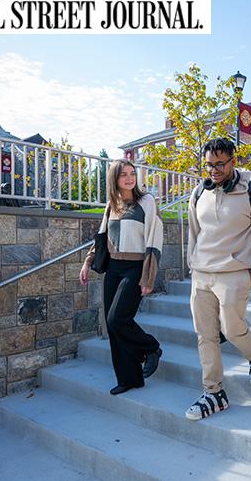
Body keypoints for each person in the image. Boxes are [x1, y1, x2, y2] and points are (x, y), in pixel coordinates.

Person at [185, 137, 251, 420]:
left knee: (233, 330)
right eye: (209, 165)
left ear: (233, 161)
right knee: (205, 335)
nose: (213, 170)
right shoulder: (199, 193)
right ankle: (214, 392)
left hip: (235, 274)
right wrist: (192, 266)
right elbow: (194, 234)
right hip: (202, 275)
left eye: (219, 164)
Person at [79, 159, 164, 395]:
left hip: (135, 267)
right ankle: (130, 378)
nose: (129, 178)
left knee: (118, 319)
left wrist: (148, 276)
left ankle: (150, 348)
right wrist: (87, 263)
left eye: (132, 173)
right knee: (111, 324)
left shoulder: (146, 202)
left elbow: (154, 240)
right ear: (114, 179)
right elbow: (102, 237)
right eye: (123, 175)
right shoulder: (112, 205)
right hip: (114, 268)